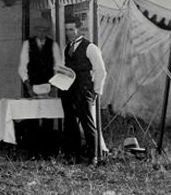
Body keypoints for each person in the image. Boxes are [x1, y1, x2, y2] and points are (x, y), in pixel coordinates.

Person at [60, 16, 107, 165]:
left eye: (71, 29)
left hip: (84, 91)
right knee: (70, 124)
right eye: (66, 30)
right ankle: (75, 155)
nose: (69, 33)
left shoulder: (90, 47)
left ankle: (93, 156)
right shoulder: (67, 48)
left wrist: (96, 92)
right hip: (69, 91)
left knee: (88, 124)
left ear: (79, 29)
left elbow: (101, 71)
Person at [16, 17, 63, 158]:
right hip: (32, 86)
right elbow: (22, 67)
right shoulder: (27, 44)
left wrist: (55, 86)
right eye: (39, 30)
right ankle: (33, 152)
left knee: (48, 120)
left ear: (47, 31)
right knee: (32, 119)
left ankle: (48, 153)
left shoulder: (53, 45)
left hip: (48, 86)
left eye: (44, 30)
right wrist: (28, 85)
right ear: (35, 30)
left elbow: (58, 66)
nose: (41, 33)